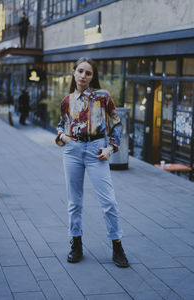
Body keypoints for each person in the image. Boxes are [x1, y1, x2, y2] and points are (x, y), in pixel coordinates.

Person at [55, 57, 129, 268]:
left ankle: (117, 246)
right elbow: (61, 125)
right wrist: (63, 137)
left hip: (97, 151)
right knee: (74, 202)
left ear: (92, 76)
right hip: (72, 152)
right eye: (80, 71)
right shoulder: (67, 100)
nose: (84, 76)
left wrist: (110, 148)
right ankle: (76, 243)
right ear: (74, 73)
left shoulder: (103, 97)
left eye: (88, 73)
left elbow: (116, 125)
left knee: (109, 202)